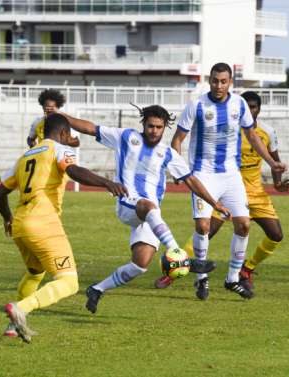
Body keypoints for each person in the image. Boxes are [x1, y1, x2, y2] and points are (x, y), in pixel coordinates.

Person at [59, 105, 231, 314]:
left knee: (140, 264)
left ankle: (96, 289)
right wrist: (60, 116)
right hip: (127, 203)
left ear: (164, 128)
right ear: (143, 124)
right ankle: (180, 256)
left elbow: (191, 181)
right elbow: (90, 128)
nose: (154, 131)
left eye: (159, 127)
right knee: (148, 205)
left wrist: (214, 203)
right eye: (150, 126)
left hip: (151, 216)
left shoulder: (168, 153)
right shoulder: (125, 137)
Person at [0, 113, 127, 343]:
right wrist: (107, 182)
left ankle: (13, 325)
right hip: (43, 223)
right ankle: (21, 309)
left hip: (20, 224)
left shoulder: (24, 156)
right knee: (68, 282)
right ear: (64, 133)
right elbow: (74, 170)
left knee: (35, 272)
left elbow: (0, 193)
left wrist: (7, 218)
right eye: (69, 136)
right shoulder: (58, 148)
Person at [165, 63, 287, 301]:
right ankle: (201, 278)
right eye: (214, 81)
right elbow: (177, 139)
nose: (218, 86)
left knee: (243, 225)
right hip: (203, 174)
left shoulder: (239, 104)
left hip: (231, 175)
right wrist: (178, 170)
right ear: (209, 81)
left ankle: (232, 278)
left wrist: (272, 164)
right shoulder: (197, 105)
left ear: (230, 82)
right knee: (203, 227)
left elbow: (252, 136)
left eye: (223, 81)